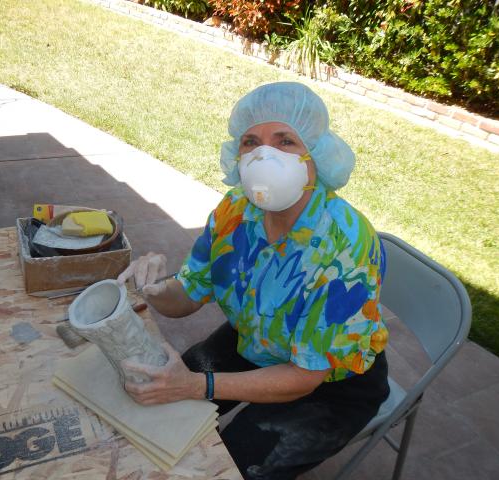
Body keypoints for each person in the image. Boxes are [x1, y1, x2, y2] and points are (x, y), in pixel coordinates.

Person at [117, 82, 390, 480]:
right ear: (238, 155)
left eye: (285, 141)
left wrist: (197, 385)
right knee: (161, 402)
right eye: (251, 142)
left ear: (316, 156)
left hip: (333, 381)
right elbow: (187, 296)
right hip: (259, 340)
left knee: (225, 464)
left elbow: (304, 376)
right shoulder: (235, 211)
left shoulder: (344, 244)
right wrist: (156, 289)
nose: (265, 156)